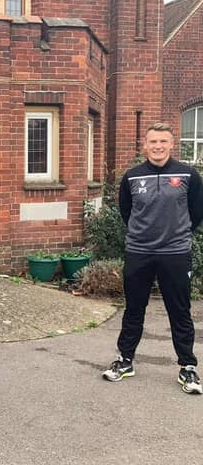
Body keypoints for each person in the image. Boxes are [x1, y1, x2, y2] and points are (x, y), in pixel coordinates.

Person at [102, 123, 203, 394]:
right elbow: (126, 211)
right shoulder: (132, 177)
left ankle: (188, 367)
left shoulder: (188, 175)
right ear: (144, 145)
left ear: (172, 145)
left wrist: (175, 235)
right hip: (139, 252)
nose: (158, 146)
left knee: (179, 311)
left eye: (163, 141)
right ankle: (125, 360)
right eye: (153, 142)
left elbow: (196, 213)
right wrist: (143, 236)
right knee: (134, 308)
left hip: (175, 253)